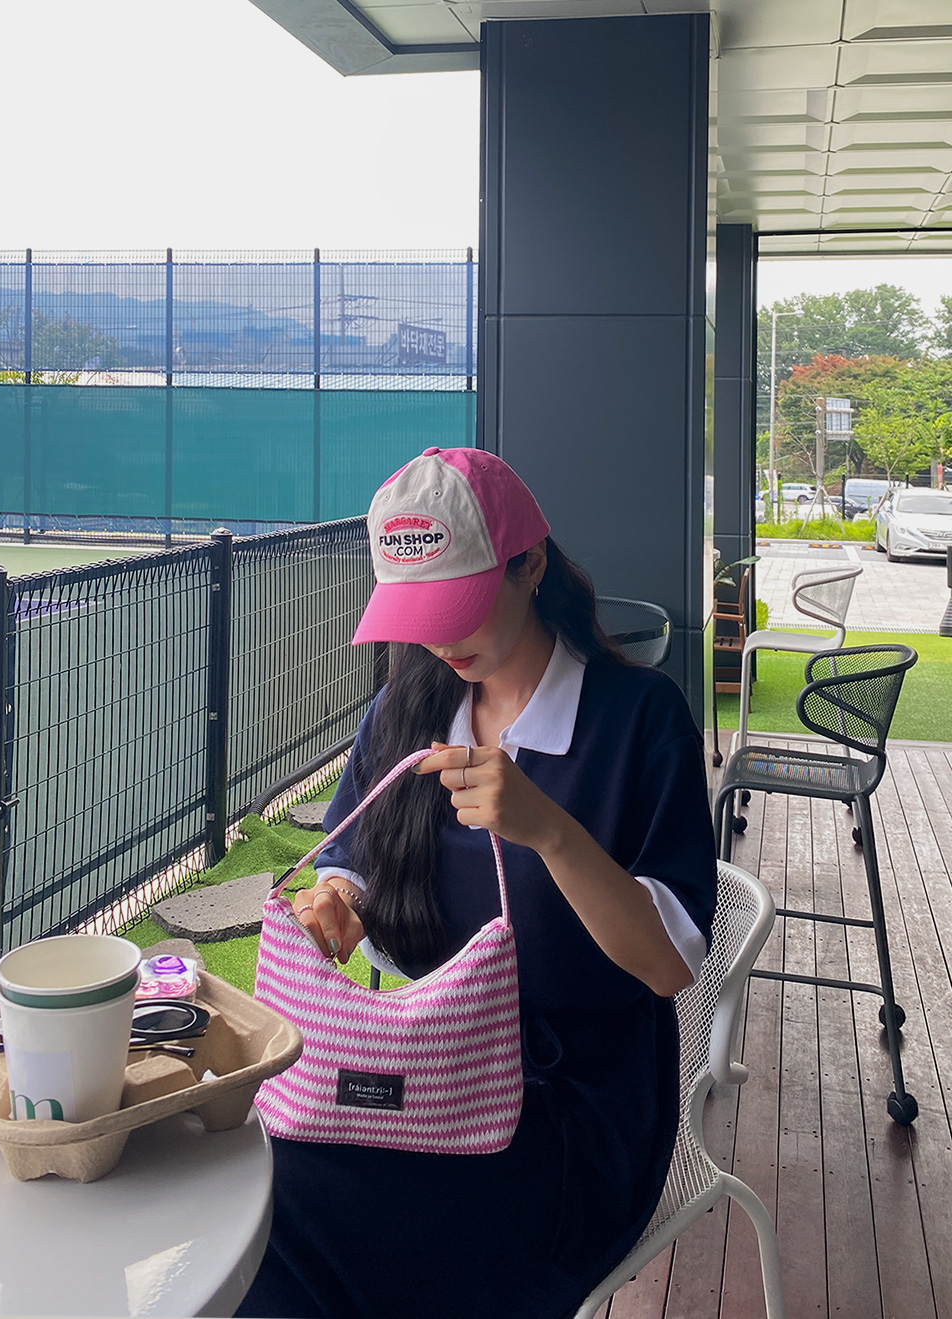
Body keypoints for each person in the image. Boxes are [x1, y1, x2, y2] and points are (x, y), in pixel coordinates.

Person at [239, 447, 717, 1319]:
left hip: (570, 1108)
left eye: (456, 607)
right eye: (418, 613)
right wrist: (338, 902)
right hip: (428, 1063)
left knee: (293, 1214)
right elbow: (351, 858)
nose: (438, 639)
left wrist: (549, 830)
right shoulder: (407, 708)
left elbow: (668, 964)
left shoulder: (638, 719)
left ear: (530, 564)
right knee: (259, 1181)